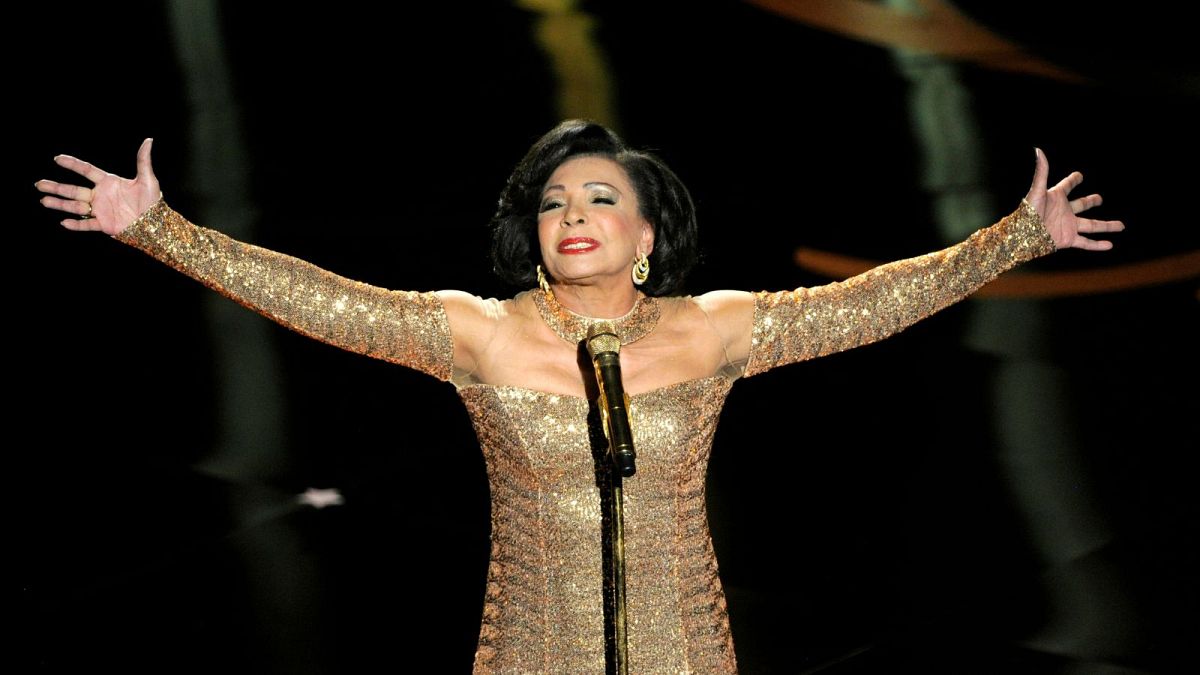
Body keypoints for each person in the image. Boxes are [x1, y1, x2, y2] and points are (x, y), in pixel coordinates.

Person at [35, 120, 1122, 673]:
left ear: (649, 236)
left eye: (603, 197)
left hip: (684, 653)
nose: (574, 214)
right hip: (530, 653)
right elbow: (318, 300)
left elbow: (879, 301)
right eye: (555, 201)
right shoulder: (478, 332)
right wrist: (159, 230)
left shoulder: (713, 329)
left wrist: (1019, 236)